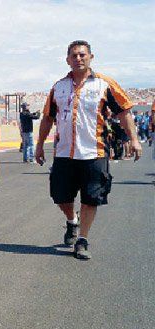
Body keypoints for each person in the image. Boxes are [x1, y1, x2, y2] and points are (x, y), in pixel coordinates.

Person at [35, 40, 141, 260]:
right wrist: (39, 145)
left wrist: (134, 139)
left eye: (82, 55)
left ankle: (82, 239)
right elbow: (47, 118)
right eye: (74, 55)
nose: (78, 58)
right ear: (67, 60)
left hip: (95, 153)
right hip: (64, 153)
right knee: (60, 197)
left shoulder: (105, 84)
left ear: (91, 57)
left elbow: (124, 112)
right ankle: (72, 220)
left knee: (91, 198)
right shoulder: (58, 87)